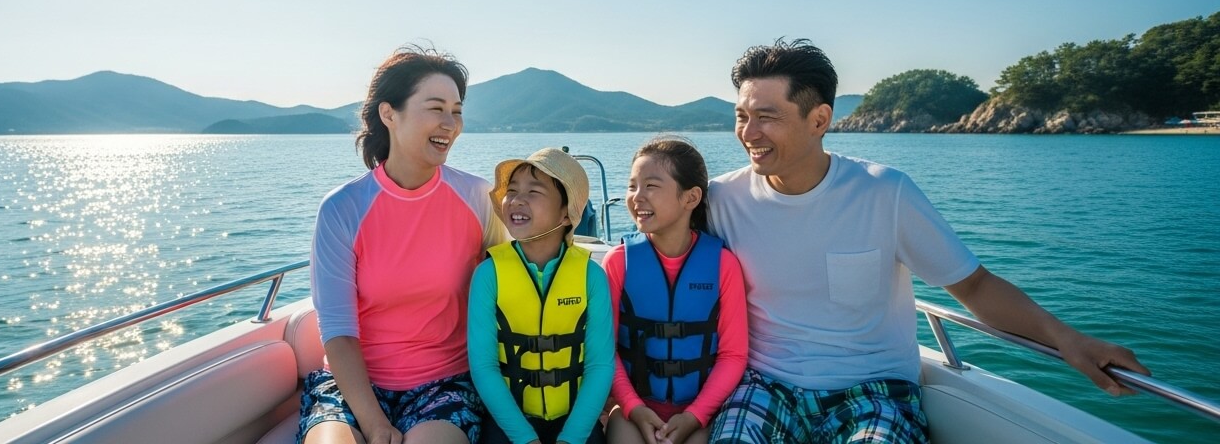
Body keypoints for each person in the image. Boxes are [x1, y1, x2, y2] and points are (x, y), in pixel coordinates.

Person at [705, 40, 1150, 444]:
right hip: (763, 386)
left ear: (819, 119)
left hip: (873, 391)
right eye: (742, 116)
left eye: (767, 117)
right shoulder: (723, 199)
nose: (749, 133)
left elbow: (973, 286)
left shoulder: (884, 193)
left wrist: (1068, 340)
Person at [301, 46, 504, 444]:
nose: (451, 123)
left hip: (444, 386)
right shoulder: (342, 209)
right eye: (436, 108)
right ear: (389, 114)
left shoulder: (479, 198)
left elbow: (511, 283)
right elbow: (339, 331)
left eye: (457, 110)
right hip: (350, 387)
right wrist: (375, 424)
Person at [603, 137, 748, 444]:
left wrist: (695, 415)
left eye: (651, 186)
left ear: (691, 197)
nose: (636, 197)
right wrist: (633, 407)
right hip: (634, 410)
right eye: (632, 186)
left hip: (701, 413)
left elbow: (733, 356)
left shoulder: (724, 265)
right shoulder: (618, 263)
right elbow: (606, 350)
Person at [468, 148, 616, 444]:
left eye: (534, 191)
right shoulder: (488, 274)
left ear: (565, 213)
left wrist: (572, 437)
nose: (517, 200)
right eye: (511, 191)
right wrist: (524, 438)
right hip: (508, 423)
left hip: (575, 423)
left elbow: (600, 366)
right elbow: (484, 366)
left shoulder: (591, 276)